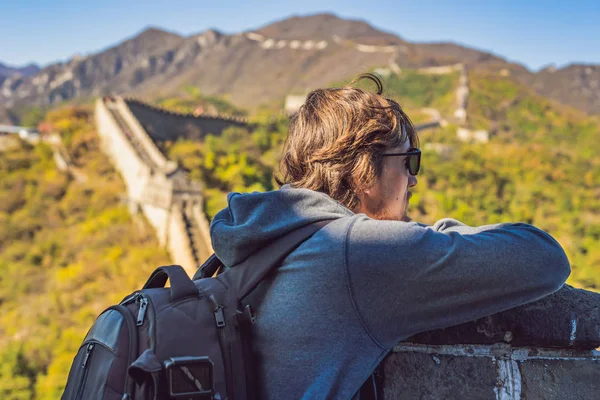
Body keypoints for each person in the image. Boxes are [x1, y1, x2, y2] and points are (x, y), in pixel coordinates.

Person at [209, 74, 571, 399]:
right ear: (365, 170)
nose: (413, 179)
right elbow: (545, 258)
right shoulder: (356, 253)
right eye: (409, 161)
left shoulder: (258, 236)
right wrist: (437, 233)